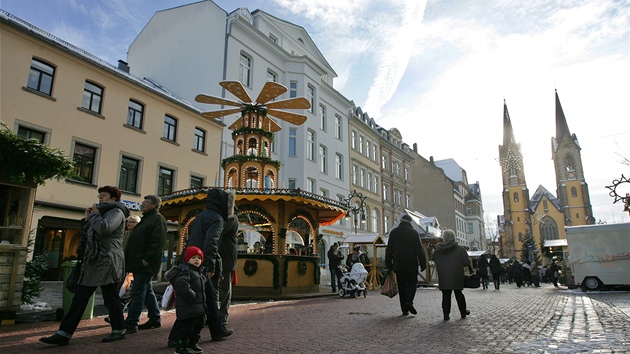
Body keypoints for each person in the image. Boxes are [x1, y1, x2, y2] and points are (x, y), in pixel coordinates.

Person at [40, 186, 130, 345]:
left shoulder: (117, 212)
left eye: (104, 196)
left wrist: (94, 215)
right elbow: (89, 235)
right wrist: (89, 218)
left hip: (107, 261)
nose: (100, 198)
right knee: (82, 298)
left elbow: (104, 228)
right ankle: (64, 334)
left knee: (107, 298)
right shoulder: (101, 213)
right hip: (94, 260)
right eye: (100, 195)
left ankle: (118, 329)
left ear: (113, 198)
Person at [168, 188, 235, 347]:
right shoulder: (217, 218)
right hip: (201, 262)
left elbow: (193, 238)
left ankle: (217, 329)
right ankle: (177, 336)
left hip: (191, 259)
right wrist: (210, 265)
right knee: (203, 298)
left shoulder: (200, 216)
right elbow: (211, 243)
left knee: (207, 297)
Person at [124, 195, 167, 333]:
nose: (143, 203)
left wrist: (147, 260)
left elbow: (157, 242)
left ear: (154, 205)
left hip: (144, 263)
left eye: (146, 202)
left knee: (138, 292)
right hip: (139, 262)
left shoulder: (157, 219)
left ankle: (131, 322)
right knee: (147, 291)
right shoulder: (147, 219)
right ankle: (154, 318)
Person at [385, 214, 427, 316]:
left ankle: (404, 309)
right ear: (410, 222)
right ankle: (409, 301)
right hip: (411, 264)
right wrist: (423, 263)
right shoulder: (413, 233)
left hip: (398, 264)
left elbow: (389, 249)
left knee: (402, 286)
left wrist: (389, 263)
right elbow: (419, 250)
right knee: (412, 282)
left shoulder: (394, 233)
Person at [172, 246, 207, 354]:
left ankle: (192, 343)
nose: (197, 260)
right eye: (193, 257)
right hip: (188, 307)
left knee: (198, 326)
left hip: (198, 308)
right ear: (187, 259)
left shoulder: (198, 273)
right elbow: (181, 284)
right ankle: (181, 347)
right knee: (187, 328)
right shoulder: (186, 271)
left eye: (199, 258)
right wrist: (190, 295)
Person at [432, 229, 471, 321]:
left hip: (444, 275)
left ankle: (446, 314)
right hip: (457, 274)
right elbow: (466, 262)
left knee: (446, 295)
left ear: (444, 238)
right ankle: (463, 311)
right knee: (459, 294)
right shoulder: (460, 249)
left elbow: (434, 259)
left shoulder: (438, 250)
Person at [213, 214, 239, 330]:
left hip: (226, 258)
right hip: (220, 256)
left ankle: (223, 315)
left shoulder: (231, 218)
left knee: (224, 288)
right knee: (216, 288)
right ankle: (215, 314)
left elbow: (220, 230)